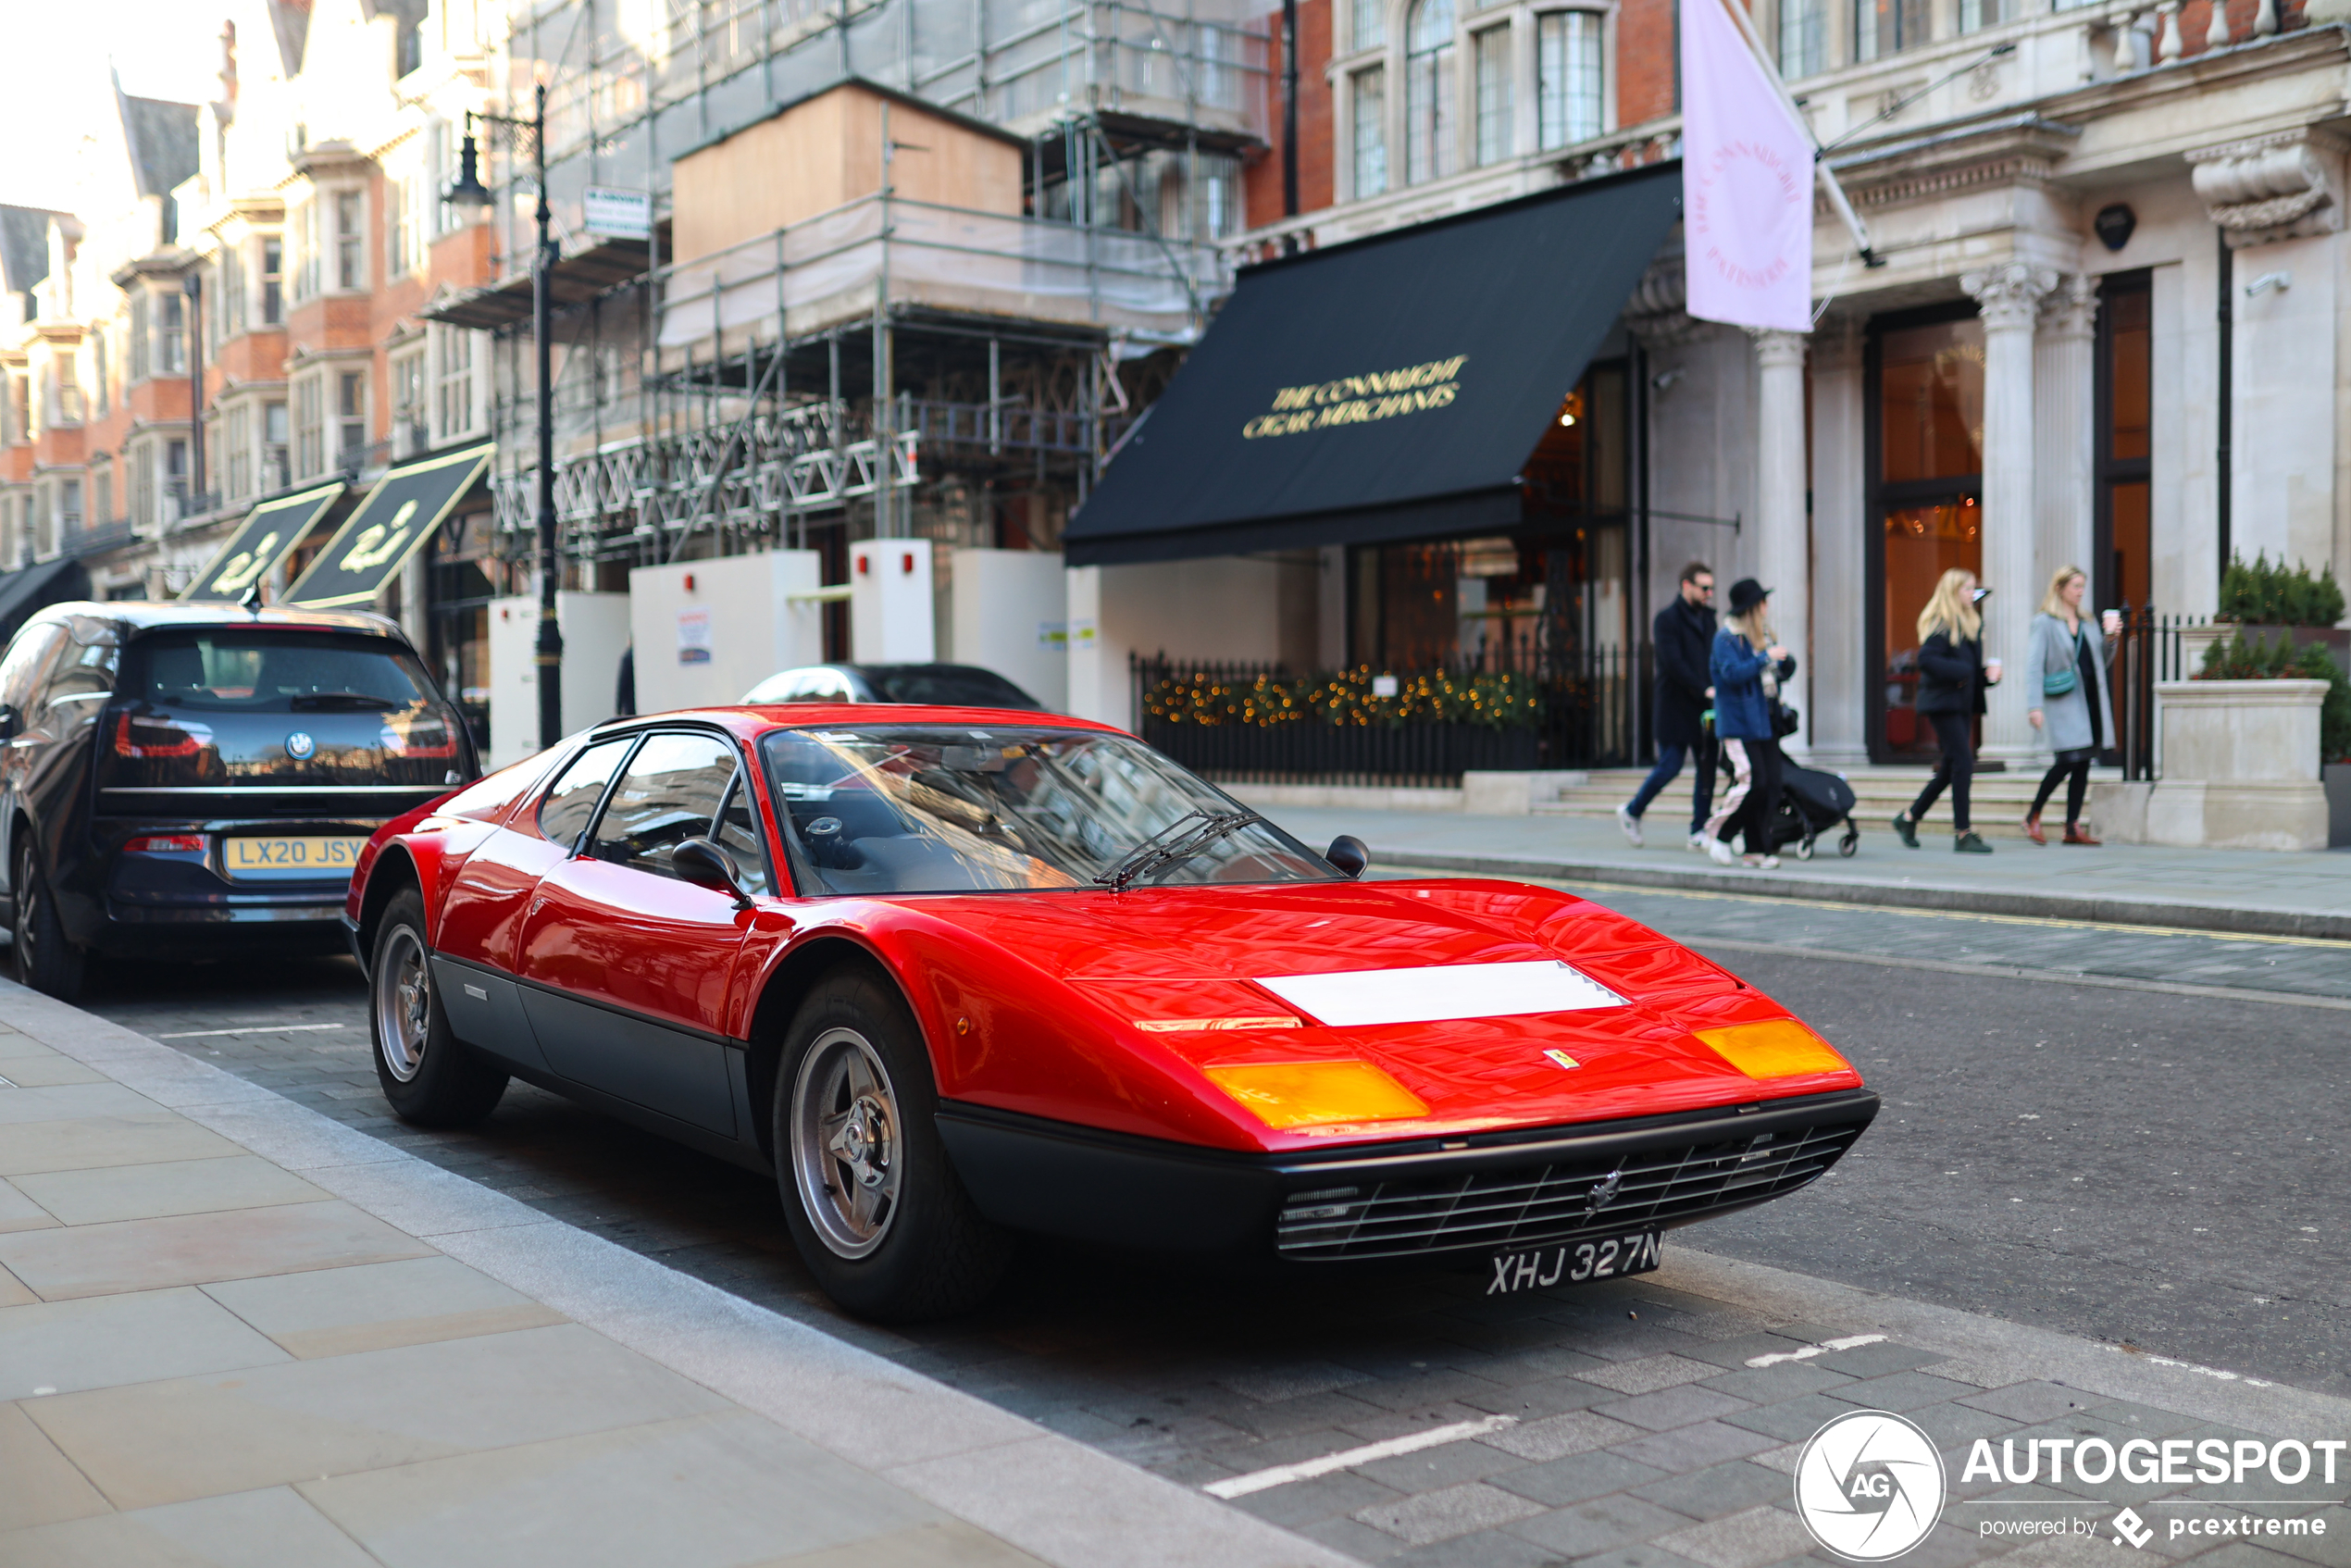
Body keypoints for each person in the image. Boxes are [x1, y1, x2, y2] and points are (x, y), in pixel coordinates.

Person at [1892, 567, 1998, 853]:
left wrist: (1986, 676)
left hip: (1960, 704)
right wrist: (1964, 671)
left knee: (1951, 766)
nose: (1972, 593)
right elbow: (1927, 659)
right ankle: (1963, 833)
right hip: (1943, 705)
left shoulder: (1969, 624)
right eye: (1967, 589)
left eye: (1973, 588)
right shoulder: (1942, 624)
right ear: (1953, 593)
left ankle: (1909, 818)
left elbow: (1970, 672)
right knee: (1963, 762)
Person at [1618, 563, 1718, 851]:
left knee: (1707, 769)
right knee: (1670, 766)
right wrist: (1704, 688)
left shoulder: (1710, 619)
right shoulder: (1666, 619)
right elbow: (1673, 663)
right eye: (1704, 587)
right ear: (1686, 586)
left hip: (1705, 708)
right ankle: (1633, 810)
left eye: (1711, 587)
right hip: (1676, 707)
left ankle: (1698, 829)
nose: (1709, 593)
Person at [1701, 579, 1794, 869]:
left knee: (1772, 786)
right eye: (1763, 602)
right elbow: (1731, 674)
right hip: (1739, 723)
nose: (1767, 607)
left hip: (1764, 721)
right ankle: (1720, 834)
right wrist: (1765, 657)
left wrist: (1783, 661)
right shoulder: (1726, 638)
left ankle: (1756, 849)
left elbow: (1777, 673)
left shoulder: (1760, 635)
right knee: (1754, 783)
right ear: (1752, 608)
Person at [2024, 565, 2120, 846]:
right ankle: (2032, 816)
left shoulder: (2088, 622)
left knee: (2083, 763)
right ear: (2060, 588)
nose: (2080, 592)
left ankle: (2072, 827)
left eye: (2082, 587)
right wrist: (2034, 706)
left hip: (2090, 699)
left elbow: (2100, 661)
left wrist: (2111, 639)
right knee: (2067, 760)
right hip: (2063, 700)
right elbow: (2033, 667)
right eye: (2075, 586)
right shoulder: (2045, 622)